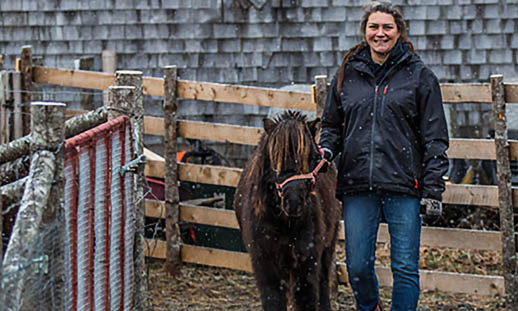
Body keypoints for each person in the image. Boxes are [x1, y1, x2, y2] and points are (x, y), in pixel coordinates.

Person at [318, 2, 449, 310]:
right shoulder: (348, 75)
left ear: (399, 31)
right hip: (358, 184)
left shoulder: (419, 76)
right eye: (374, 27)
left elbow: (435, 138)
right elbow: (333, 126)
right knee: (358, 268)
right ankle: (370, 306)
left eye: (387, 27)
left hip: (404, 186)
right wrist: (325, 151)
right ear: (365, 32)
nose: (380, 34)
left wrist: (433, 189)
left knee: (405, 269)